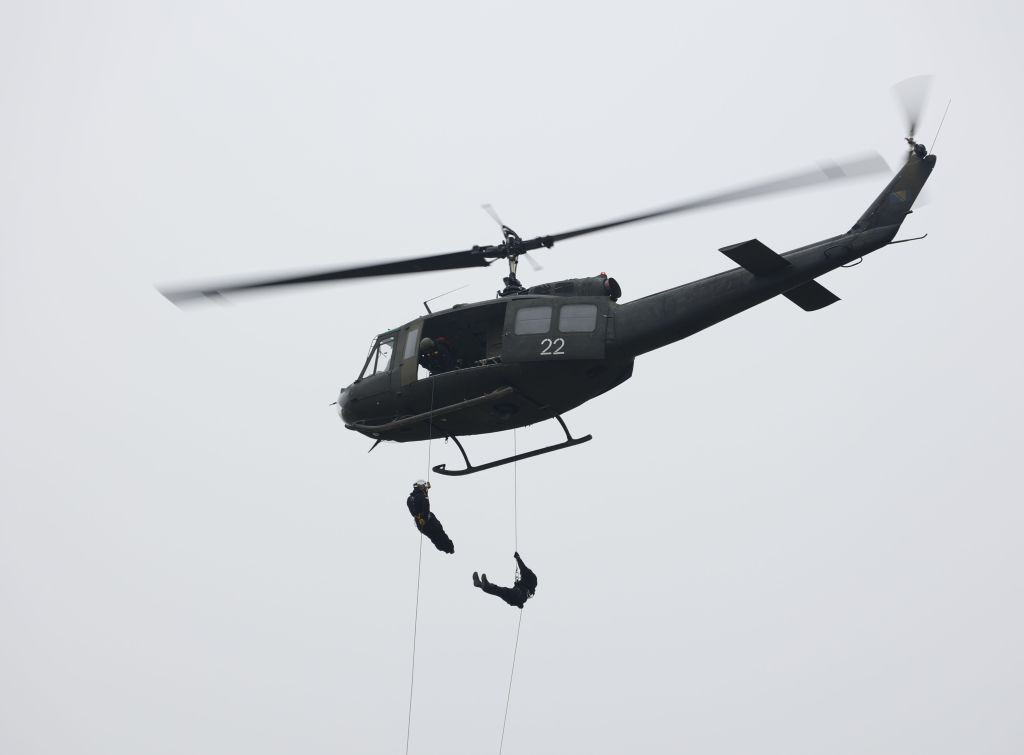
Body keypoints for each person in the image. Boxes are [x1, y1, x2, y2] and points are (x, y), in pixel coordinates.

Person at [472, 552, 537, 608]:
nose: (521, 574)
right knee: (500, 591)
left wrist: (518, 558)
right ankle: (480, 584)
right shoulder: (525, 583)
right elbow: (523, 569)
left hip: (518, 595)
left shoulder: (531, 579)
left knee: (502, 591)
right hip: (513, 598)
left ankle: (485, 586)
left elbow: (523, 568)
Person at [407, 480, 454, 554]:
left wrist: (427, 489)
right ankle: (448, 548)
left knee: (437, 534)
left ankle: (448, 548)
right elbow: (419, 508)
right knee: (437, 534)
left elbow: (421, 502)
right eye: (422, 487)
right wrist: (421, 518)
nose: (424, 488)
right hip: (425, 521)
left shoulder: (419, 495)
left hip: (426, 520)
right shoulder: (417, 497)